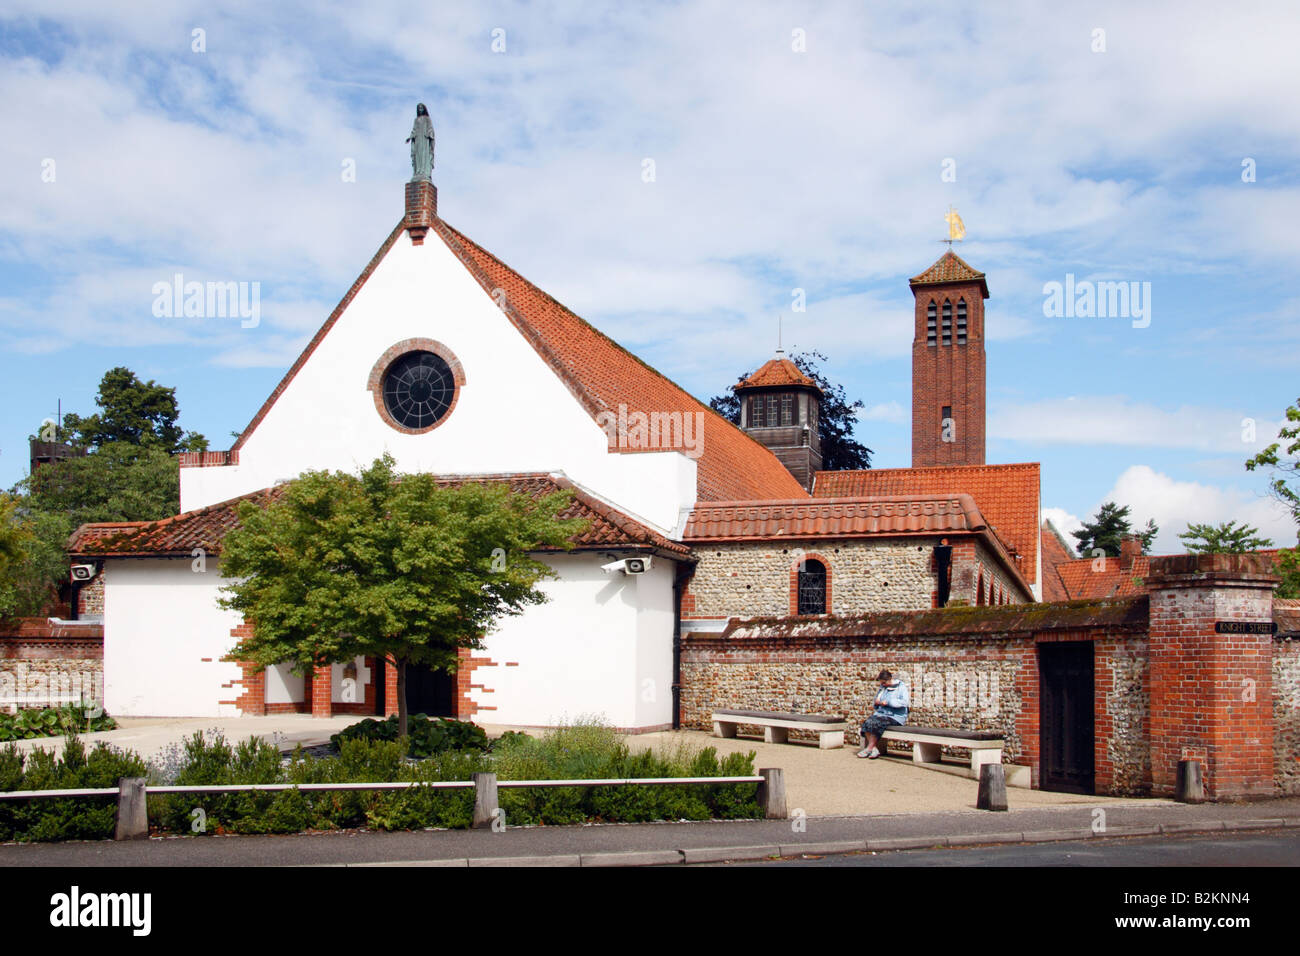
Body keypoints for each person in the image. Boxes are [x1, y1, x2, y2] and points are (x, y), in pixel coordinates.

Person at [857, 670, 909, 759]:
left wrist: (888, 702)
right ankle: (874, 749)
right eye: (881, 683)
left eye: (884, 682)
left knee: (877, 723)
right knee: (867, 722)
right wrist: (877, 703)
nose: (883, 685)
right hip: (882, 714)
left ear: (890, 679)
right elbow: (877, 701)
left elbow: (904, 702)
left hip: (896, 716)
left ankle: (869, 748)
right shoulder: (883, 687)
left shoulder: (901, 686)